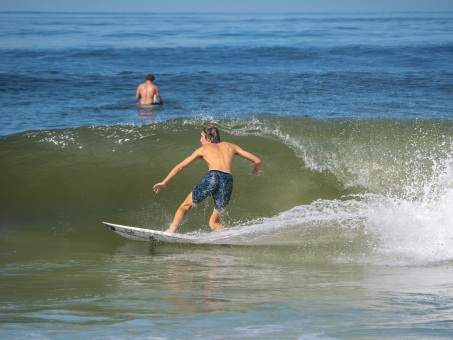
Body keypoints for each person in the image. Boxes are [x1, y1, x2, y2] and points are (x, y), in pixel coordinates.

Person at [153, 126, 261, 233]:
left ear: (208, 138)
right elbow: (257, 160)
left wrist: (164, 182)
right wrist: (256, 170)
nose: (200, 140)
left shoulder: (203, 149)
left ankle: (172, 229)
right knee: (213, 223)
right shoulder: (231, 146)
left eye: (202, 137)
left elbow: (180, 166)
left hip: (213, 176)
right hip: (228, 180)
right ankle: (228, 236)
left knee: (184, 206)